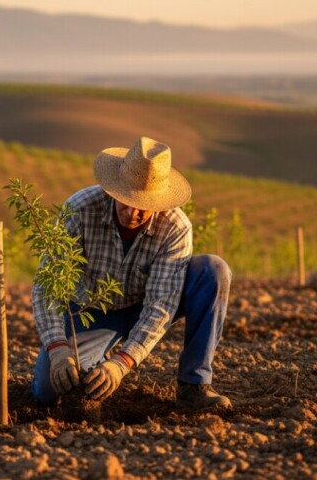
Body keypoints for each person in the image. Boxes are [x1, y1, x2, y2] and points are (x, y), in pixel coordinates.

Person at [30, 136, 232, 411]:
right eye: (124, 199)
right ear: (113, 188)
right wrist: (58, 347)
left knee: (212, 271)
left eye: (142, 204)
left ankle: (193, 386)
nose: (131, 211)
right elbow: (47, 286)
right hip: (92, 309)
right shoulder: (79, 209)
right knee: (47, 389)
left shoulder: (175, 227)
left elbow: (161, 304)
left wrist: (122, 363)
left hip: (147, 303)